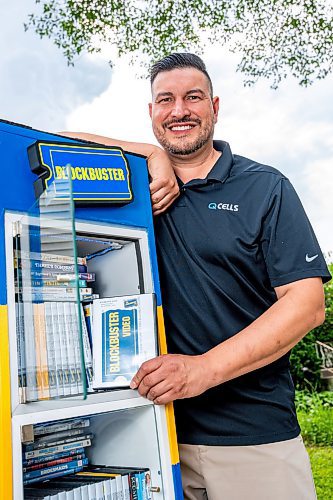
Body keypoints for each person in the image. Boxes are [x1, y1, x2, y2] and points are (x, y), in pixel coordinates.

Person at [63, 53, 331, 500]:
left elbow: (307, 305)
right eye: (165, 99)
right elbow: (44, 141)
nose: (179, 110)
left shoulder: (266, 187)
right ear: (151, 113)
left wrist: (204, 370)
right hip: (150, 431)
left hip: (253, 436)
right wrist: (149, 153)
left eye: (193, 97)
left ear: (215, 106)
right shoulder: (134, 186)